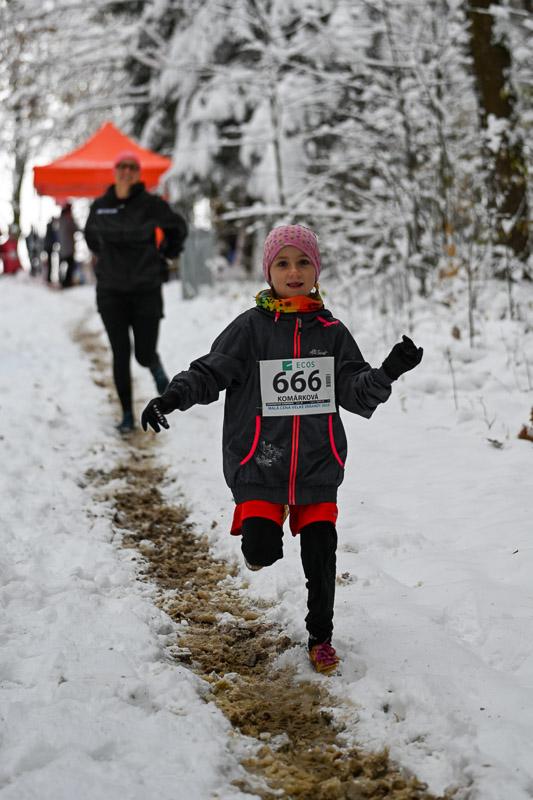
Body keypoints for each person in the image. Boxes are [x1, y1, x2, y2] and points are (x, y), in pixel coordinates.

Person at [140, 224, 423, 675]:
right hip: (260, 462)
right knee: (261, 550)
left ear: (316, 270)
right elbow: (210, 372)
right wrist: (172, 397)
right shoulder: (250, 329)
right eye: (283, 263)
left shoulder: (332, 332)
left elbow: (355, 390)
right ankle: (260, 544)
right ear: (268, 271)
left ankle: (321, 637)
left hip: (316, 463)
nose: (294, 272)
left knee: (321, 553)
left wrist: (388, 371)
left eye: (304, 262)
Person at [85, 150, 188, 434]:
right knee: (120, 353)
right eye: (122, 166)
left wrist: (166, 253)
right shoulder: (101, 206)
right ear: (115, 170)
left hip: (145, 289)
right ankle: (127, 414)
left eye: (132, 167)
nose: (127, 171)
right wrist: (107, 258)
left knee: (143, 352)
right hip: (111, 291)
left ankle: (155, 369)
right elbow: (90, 236)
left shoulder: (150, 204)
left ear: (138, 173)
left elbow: (178, 227)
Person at [58, 203, 78, 288]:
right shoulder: (68, 220)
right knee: (70, 265)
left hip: (62, 247)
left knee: (62, 265)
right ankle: (66, 282)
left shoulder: (60, 220)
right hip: (69, 248)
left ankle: (62, 281)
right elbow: (76, 228)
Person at [43, 216, 59, 283]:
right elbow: (54, 237)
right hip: (49, 247)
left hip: (47, 247)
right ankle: (48, 278)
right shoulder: (51, 228)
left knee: (49, 263)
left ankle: (48, 278)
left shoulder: (48, 227)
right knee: (49, 263)